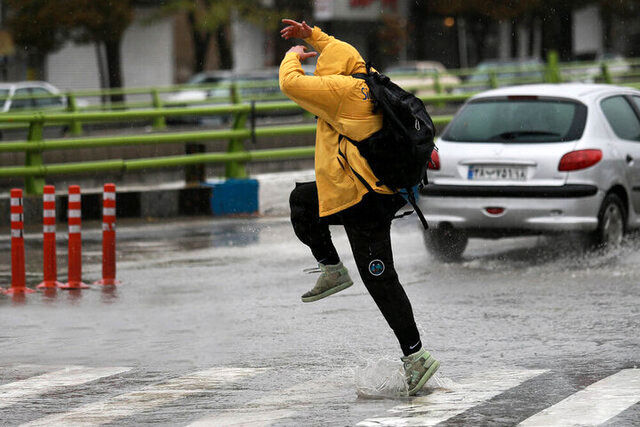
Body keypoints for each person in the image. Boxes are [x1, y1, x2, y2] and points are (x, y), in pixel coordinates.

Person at [279, 19, 439, 395]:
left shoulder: (344, 90)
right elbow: (338, 46)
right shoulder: (367, 76)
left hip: (363, 201)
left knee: (380, 280)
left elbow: (290, 83)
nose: (319, 78)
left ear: (333, 75)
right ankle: (332, 268)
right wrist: (313, 36)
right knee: (302, 200)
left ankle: (416, 357)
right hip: (361, 189)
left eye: (323, 73)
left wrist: (291, 57)